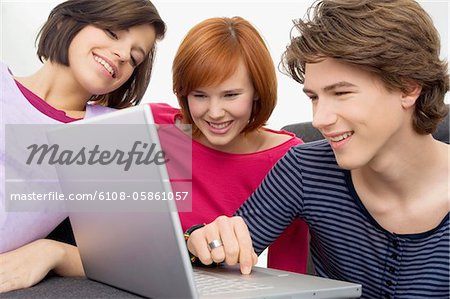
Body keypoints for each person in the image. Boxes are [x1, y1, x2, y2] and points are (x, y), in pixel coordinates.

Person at [186, 1, 449, 298]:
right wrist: (200, 242)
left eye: (341, 93)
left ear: (408, 87)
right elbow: (220, 259)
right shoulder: (303, 169)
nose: (319, 120)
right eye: (314, 97)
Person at [0, 0, 165, 293]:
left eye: (136, 57)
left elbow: (140, 259)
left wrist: (52, 252)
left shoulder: (114, 134)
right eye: (113, 33)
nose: (123, 55)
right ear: (70, 19)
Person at [150, 16, 309, 274]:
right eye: (199, 95)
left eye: (231, 95)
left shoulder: (289, 158)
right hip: (150, 277)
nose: (215, 112)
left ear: (257, 90)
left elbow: (289, 271)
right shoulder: (159, 127)